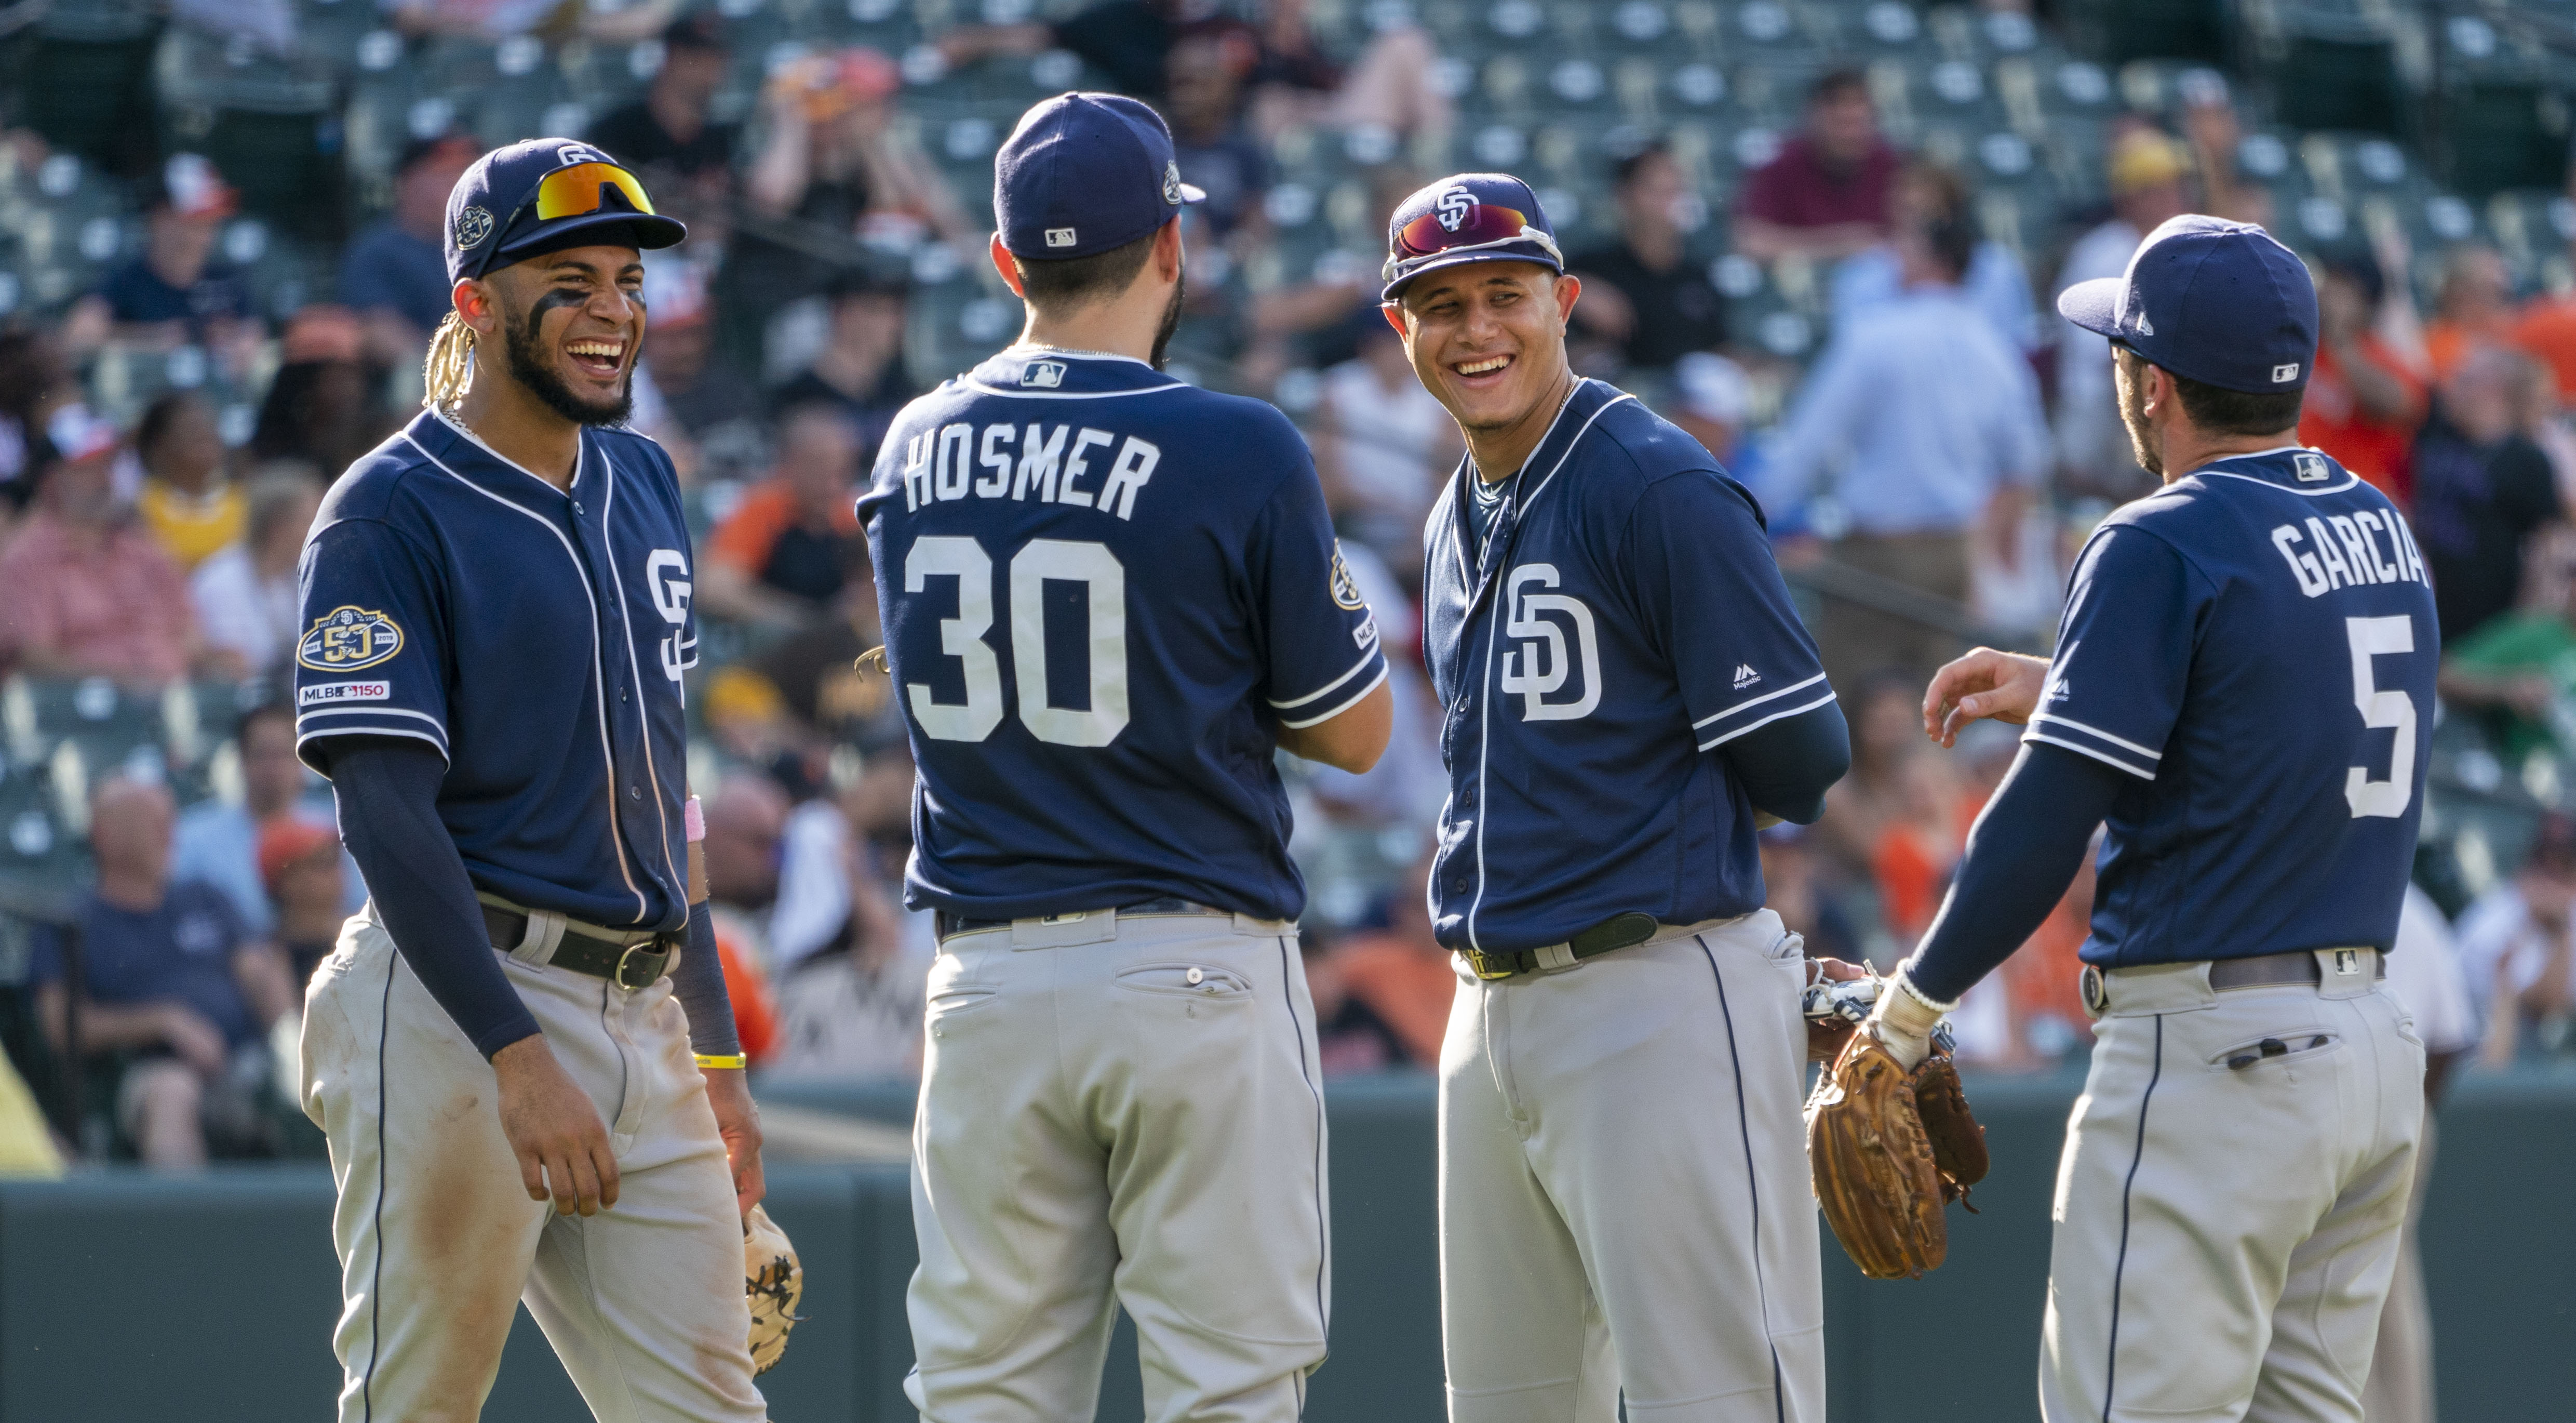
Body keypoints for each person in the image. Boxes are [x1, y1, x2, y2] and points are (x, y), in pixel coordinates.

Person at [861, 93, 1393, 1422]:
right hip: (1188, 964)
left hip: (983, 974)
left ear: (1003, 263)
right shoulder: (1235, 441)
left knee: (984, 1393)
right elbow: (1357, 729)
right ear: (1171, 248)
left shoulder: (912, 443)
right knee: (1226, 1387)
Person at [1904, 216, 2434, 1422]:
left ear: (2148, 385)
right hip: (2362, 1047)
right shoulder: (2378, 525)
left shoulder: (2156, 535)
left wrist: (1906, 1010)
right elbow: (2287, 708)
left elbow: (2042, 818)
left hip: (2216, 1060)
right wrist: (2081, 685)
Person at [289, 139, 768, 1421]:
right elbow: (381, 807)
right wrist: (514, 1053)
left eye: (626, 277)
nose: (614, 308)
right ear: (474, 301)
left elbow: (671, 794)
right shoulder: (387, 510)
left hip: (642, 1004)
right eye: (568, 278)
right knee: (418, 1403)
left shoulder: (643, 477)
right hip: (457, 1002)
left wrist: (716, 1052)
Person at [1380, 172, 1855, 1422]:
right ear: (1401, 332)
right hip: (1490, 1009)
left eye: (1503, 296)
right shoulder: (1450, 514)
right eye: (1439, 305)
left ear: (1566, 302)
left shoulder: (1651, 478)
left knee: (1716, 1397)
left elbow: (1801, 756)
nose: (1475, 329)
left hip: (1652, 986)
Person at [1760, 205, 2049, 696]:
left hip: (1876, 556)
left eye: (1910, 247)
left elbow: (1807, 445)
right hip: (1951, 553)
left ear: (1935, 260)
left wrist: (1750, 515)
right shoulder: (1992, 347)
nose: (1898, 257)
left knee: (1849, 709)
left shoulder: (1876, 335)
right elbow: (2029, 462)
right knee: (1932, 712)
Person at [28, 777, 297, 1168]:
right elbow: (59, 1025)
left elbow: (259, 973)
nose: (168, 832)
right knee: (172, 1090)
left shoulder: (205, 897)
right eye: (150, 820)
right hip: (140, 1076)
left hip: (244, 1064)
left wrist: (293, 1040)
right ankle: (184, 1227)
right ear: (104, 834)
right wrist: (162, 1022)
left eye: (169, 819)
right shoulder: (71, 921)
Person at [2360, 883, 2477, 1423]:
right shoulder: (2414, 906)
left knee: (2336, 1294)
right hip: (2402, 1105)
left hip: (2335, 1099)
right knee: (2387, 1288)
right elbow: (2452, 1037)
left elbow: (2454, 1039)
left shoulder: (2305, 880)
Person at [0, 405, 224, 684]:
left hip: (168, 700)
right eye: (88, 470)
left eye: (108, 466)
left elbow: (191, 634)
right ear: (51, 481)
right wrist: (123, 680)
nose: (104, 480)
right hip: (85, 711)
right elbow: (35, 657)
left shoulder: (144, 547)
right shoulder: (26, 560)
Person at [2053, 128, 2191, 501]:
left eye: (2172, 185)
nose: (2170, 197)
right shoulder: (2098, 253)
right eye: (2155, 188)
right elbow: (2094, 351)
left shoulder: (2184, 245)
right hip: (2099, 406)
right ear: (2128, 196)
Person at [2410, 343, 2563, 644]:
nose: (2452, 385)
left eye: (2464, 379)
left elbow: (2547, 546)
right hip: (2427, 607)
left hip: (2489, 624)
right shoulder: (2435, 433)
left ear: (2493, 390)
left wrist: (2524, 622)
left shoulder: (2527, 459)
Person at [1831, 159, 2041, 355]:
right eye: (1907, 209)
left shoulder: (1996, 267)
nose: (1916, 223)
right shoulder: (1863, 273)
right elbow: (1855, 352)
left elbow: (2015, 346)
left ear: (1950, 213)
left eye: (1928, 211)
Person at [64, 154, 257, 365]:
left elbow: (253, 343)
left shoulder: (226, 281)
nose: (204, 234)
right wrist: (152, 339)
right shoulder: (128, 279)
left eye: (211, 222)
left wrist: (230, 345)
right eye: (194, 222)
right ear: (159, 218)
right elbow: (78, 336)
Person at [172, 702, 338, 939]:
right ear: (241, 759)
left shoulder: (334, 828)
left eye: (283, 754)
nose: (273, 768)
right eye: (262, 754)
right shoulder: (193, 836)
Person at [1567, 139, 1728, 376]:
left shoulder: (1698, 275)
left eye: (1675, 192)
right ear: (1625, 196)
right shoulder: (1591, 267)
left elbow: (1719, 349)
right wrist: (1573, 288)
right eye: (1655, 192)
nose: (1668, 204)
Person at [701, 403, 867, 629]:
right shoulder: (763, 508)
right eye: (818, 469)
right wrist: (802, 622)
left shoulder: (852, 515)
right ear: (789, 463)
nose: (832, 486)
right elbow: (716, 588)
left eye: (841, 471)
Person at [339, 132, 481, 369]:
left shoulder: (482, 245)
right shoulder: (377, 251)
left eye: (466, 172)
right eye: (444, 173)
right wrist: (452, 366)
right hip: (421, 378)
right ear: (406, 182)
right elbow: (378, 330)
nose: (460, 183)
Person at [1733, 68, 1901, 263]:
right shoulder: (1779, 163)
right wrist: (1844, 245)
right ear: (1813, 117)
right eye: (1841, 123)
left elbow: (1919, 242)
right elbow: (1752, 242)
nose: (1850, 135)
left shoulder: (1892, 165)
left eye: (1859, 123)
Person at [2299, 253, 2428, 504]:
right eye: (2329, 284)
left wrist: (2341, 341)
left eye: (2343, 290)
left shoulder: (2385, 360)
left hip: (2354, 504)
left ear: (2367, 305)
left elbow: (2399, 407)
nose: (2327, 295)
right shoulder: (2299, 348)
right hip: (2292, 492)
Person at [2454, 813, 2576, 1065]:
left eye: (2565, 869)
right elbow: (2548, 1006)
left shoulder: (2562, 914)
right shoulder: (2494, 921)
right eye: (2544, 867)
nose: (2552, 882)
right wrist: (2560, 932)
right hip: (2476, 1060)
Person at [767, 268, 917, 465]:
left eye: (898, 311)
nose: (895, 324)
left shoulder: (902, 391)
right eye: (878, 310)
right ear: (842, 314)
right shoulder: (796, 398)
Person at [191, 467, 324, 679]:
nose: (324, 530)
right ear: (279, 525)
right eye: (315, 519)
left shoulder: (304, 576)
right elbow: (231, 664)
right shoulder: (220, 580)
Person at [588, 12, 741, 182]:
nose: (710, 71)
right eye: (696, 59)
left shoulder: (722, 140)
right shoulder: (617, 132)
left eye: (718, 61)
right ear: (668, 58)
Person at [133, 391, 243, 571]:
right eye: (192, 429)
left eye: (210, 426)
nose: (206, 437)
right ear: (160, 445)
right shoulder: (142, 510)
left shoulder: (247, 503)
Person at [259, 815, 346, 983]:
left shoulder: (364, 936)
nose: (337, 871)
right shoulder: (266, 960)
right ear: (288, 881)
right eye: (324, 862)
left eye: (337, 860)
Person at [2421, 244, 2514, 382]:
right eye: (2495, 292)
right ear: (2461, 294)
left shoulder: (2513, 331)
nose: (2504, 302)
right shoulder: (2436, 344)